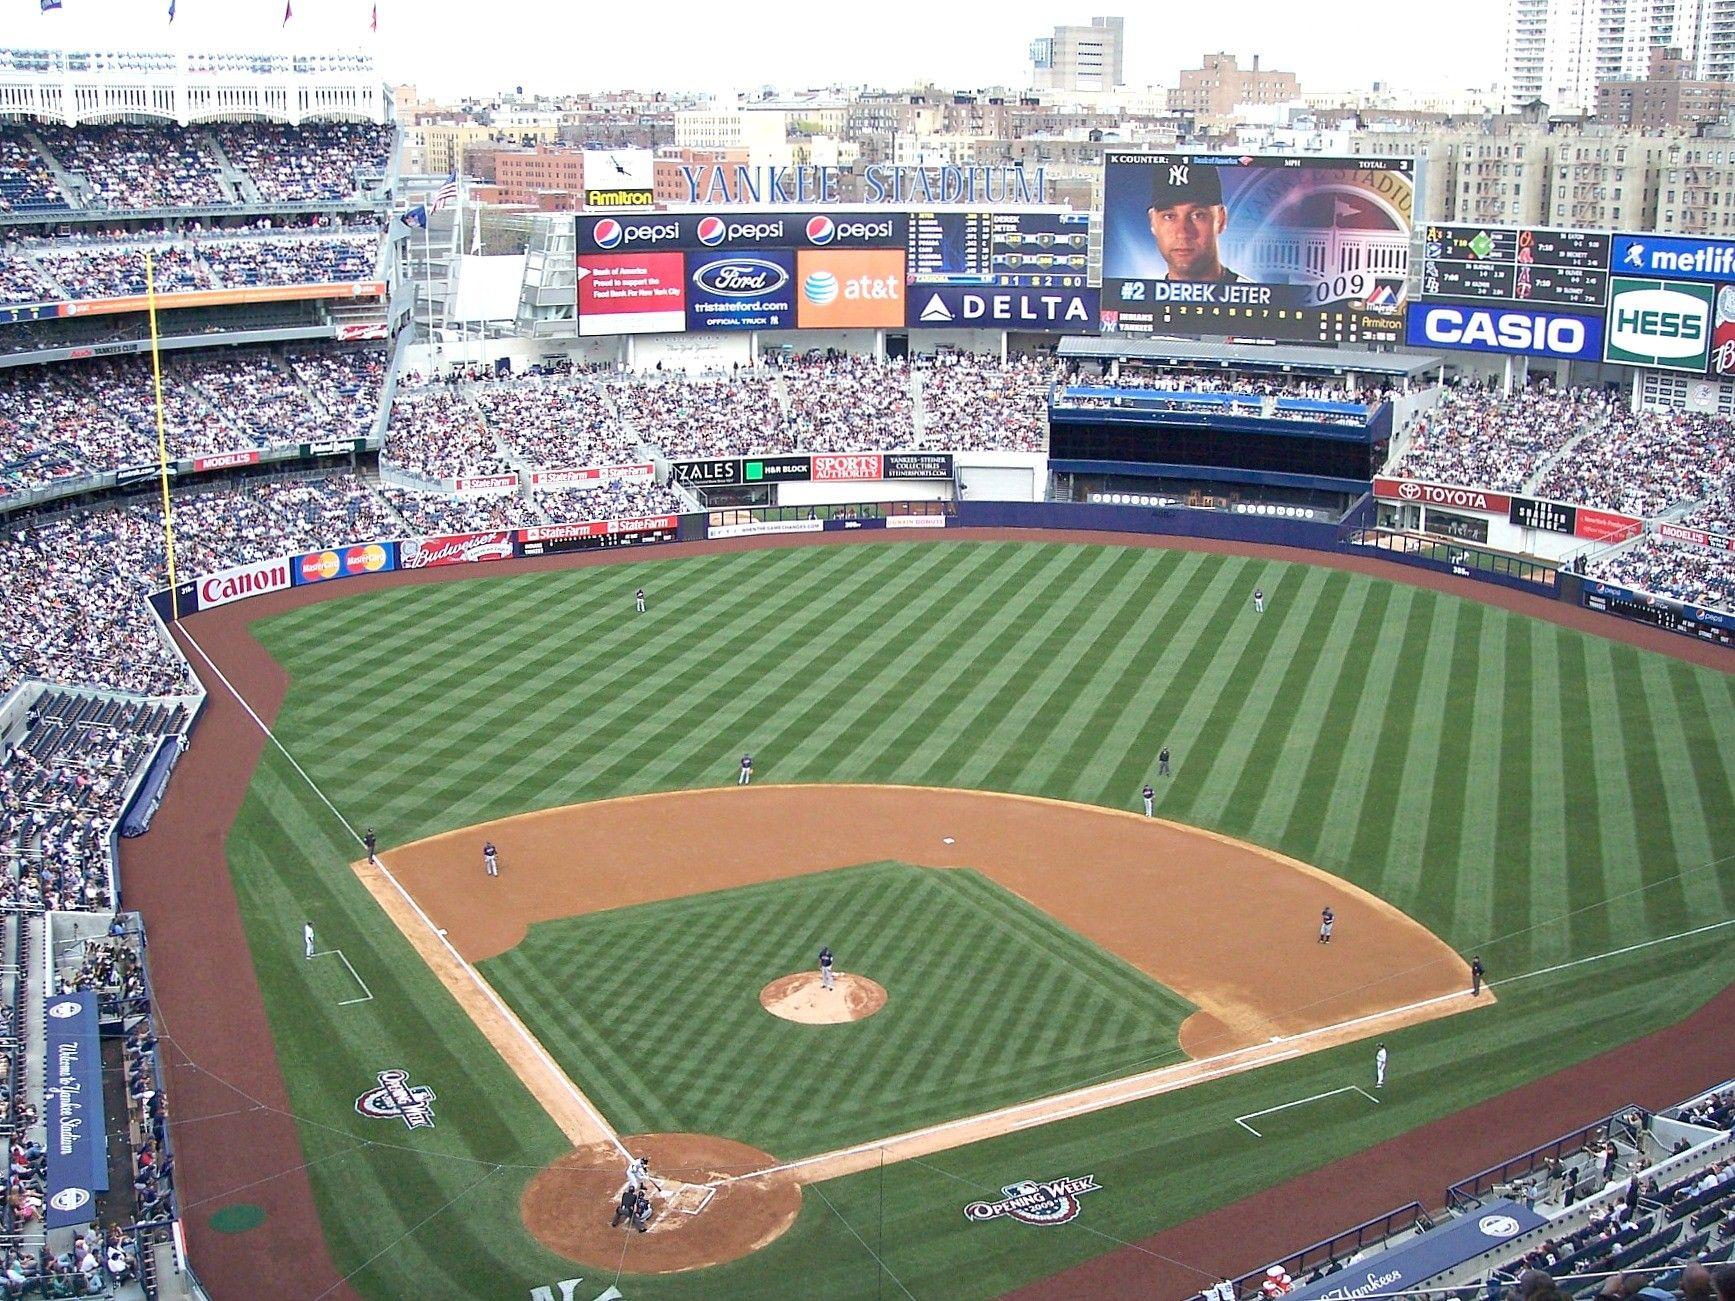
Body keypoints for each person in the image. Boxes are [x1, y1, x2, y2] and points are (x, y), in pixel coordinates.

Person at [1146, 161, 1241, 283]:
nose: (1182, 233)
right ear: (1153, 222)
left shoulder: (1257, 297)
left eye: (1198, 215)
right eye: (1169, 216)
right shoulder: (1139, 298)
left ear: (1221, 219)